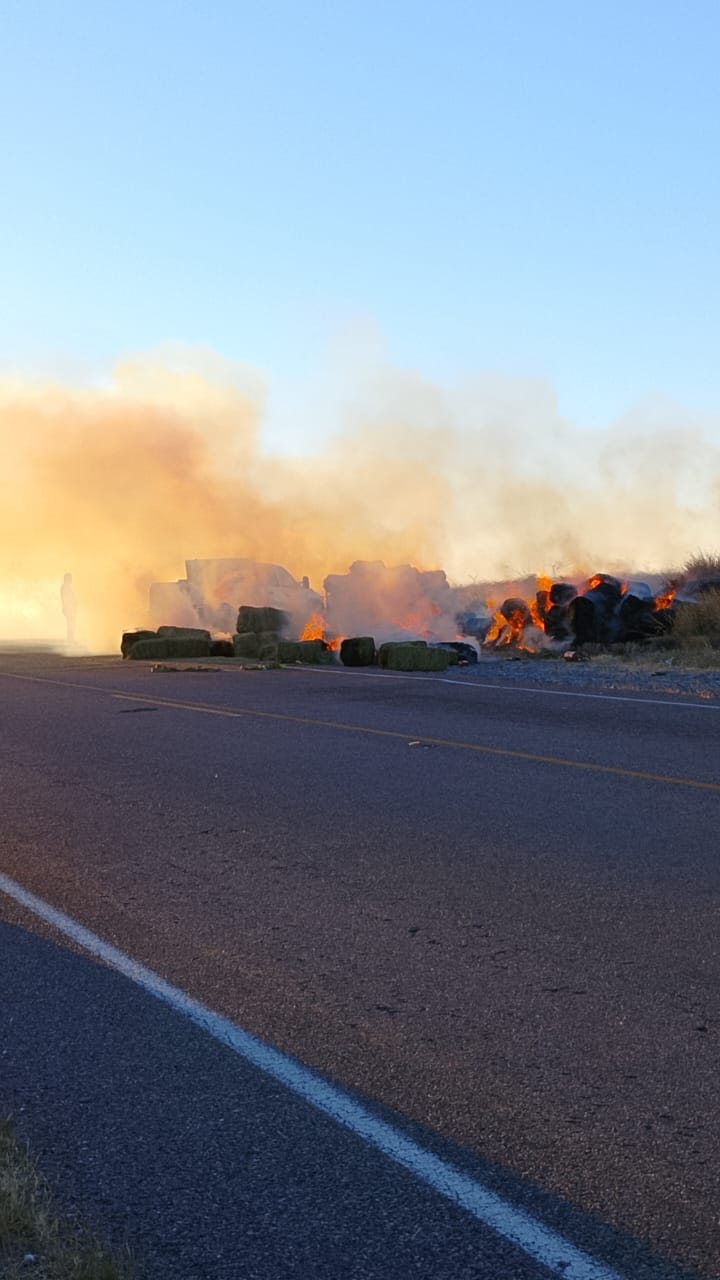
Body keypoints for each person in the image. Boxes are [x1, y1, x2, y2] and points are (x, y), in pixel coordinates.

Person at [60, 573, 78, 644]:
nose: (71, 580)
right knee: (71, 623)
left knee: (71, 623)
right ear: (67, 579)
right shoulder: (65, 587)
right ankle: (70, 639)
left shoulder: (66, 587)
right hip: (69, 608)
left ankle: (70, 639)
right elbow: (64, 598)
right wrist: (65, 607)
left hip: (70, 608)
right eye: (70, 578)